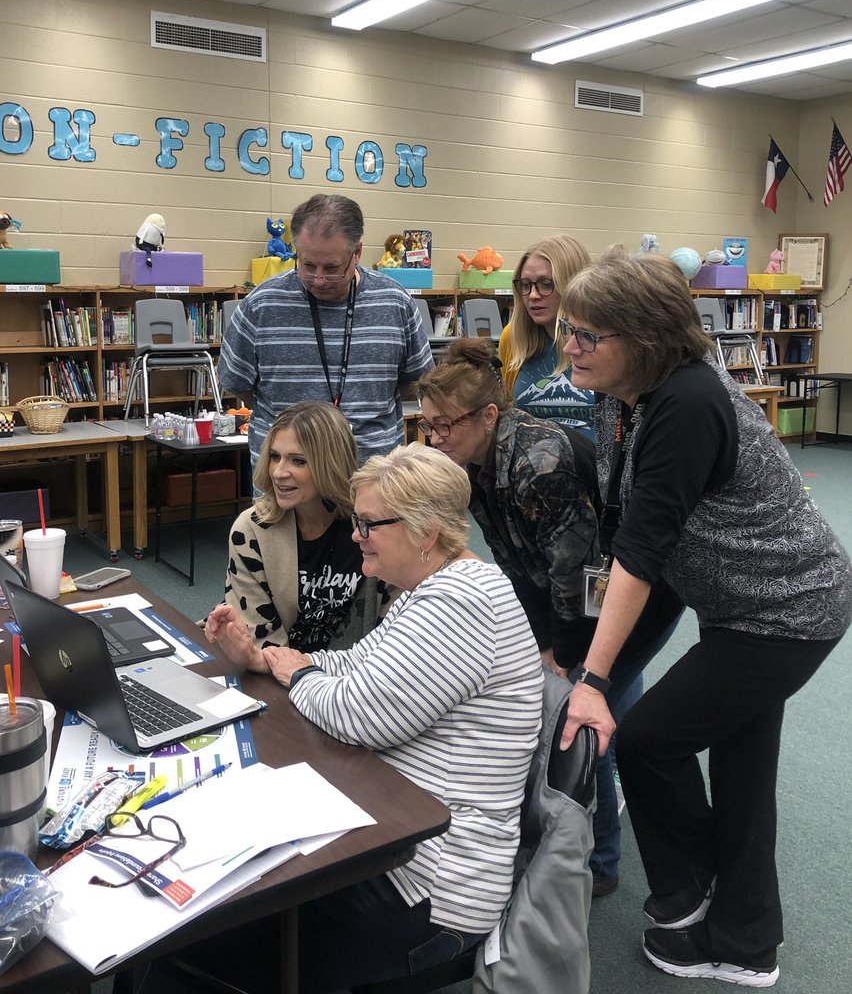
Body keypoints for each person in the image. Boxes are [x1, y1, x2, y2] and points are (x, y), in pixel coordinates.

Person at [146, 444, 544, 994]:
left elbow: (357, 713)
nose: (355, 534)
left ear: (425, 533)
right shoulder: (434, 588)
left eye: (368, 524)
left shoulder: (460, 604)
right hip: (394, 831)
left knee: (189, 941)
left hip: (429, 887)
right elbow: (357, 665)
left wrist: (301, 677)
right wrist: (267, 660)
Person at [557, 248, 852, 987]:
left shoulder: (686, 403)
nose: (569, 344)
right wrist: (605, 659)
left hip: (784, 611)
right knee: (744, 772)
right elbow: (640, 541)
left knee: (650, 739)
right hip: (741, 607)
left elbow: (642, 550)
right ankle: (747, 940)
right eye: (570, 327)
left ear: (644, 337)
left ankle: (692, 893)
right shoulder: (632, 396)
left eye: (589, 334)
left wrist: (595, 676)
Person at [417, 337, 682, 898]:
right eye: (428, 426)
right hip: (580, 593)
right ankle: (602, 820)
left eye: (445, 426)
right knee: (599, 710)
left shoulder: (539, 463)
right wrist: (538, 641)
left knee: (578, 720)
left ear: (489, 415)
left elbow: (572, 574)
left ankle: (601, 863)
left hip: (628, 597)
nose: (435, 439)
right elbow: (516, 561)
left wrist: (562, 655)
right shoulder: (474, 462)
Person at [218, 193, 434, 470]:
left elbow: (414, 379)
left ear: (357, 252)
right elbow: (238, 384)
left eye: (331, 268)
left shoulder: (395, 302)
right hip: (285, 484)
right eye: (307, 265)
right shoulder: (261, 304)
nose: (318, 279)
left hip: (372, 480)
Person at [207, 401, 393, 656]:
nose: (279, 472)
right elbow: (260, 639)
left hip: (359, 675)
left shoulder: (376, 523)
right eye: (275, 457)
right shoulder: (252, 529)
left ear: (331, 463)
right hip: (274, 672)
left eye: (298, 461)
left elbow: (396, 628)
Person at [498, 235, 595, 434]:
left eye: (546, 284)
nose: (533, 295)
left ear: (572, 285)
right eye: (526, 285)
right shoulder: (513, 338)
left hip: (596, 463)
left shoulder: (600, 339)